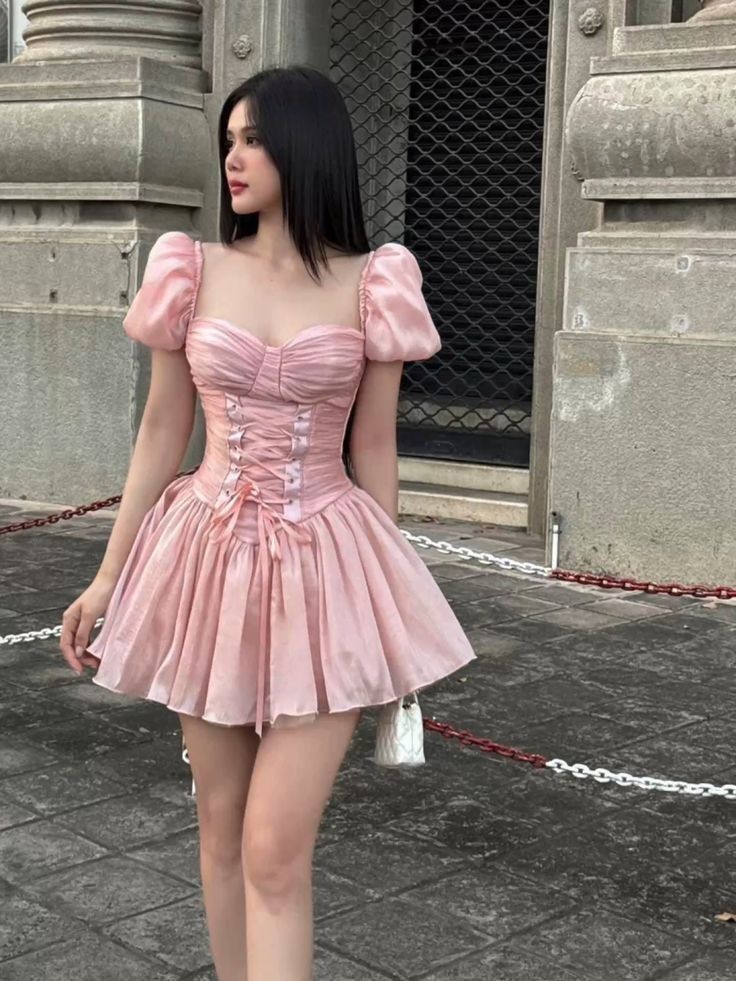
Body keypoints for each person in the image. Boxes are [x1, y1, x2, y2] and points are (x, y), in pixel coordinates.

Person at [59, 65, 476, 981]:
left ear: (305, 144)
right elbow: (161, 429)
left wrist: (386, 604)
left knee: (275, 849)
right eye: (229, 140)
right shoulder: (190, 266)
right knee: (220, 827)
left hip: (324, 566)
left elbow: (374, 447)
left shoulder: (377, 280)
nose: (233, 158)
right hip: (204, 557)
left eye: (253, 138)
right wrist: (106, 576)